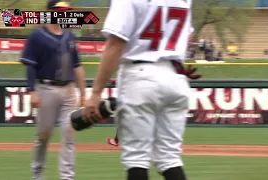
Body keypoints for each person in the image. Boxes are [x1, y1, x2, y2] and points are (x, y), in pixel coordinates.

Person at [84, 0, 199, 180]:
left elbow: (115, 44)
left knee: (136, 159)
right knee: (169, 158)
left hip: (140, 75)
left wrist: (96, 92)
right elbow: (187, 36)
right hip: (175, 76)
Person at [19, 0, 86, 179]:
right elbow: (30, 65)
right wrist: (31, 91)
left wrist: (83, 92)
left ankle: (67, 177)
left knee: (69, 135)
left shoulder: (70, 37)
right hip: (46, 88)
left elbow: (77, 66)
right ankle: (37, 174)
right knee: (43, 135)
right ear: (49, 12)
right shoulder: (37, 36)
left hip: (69, 89)